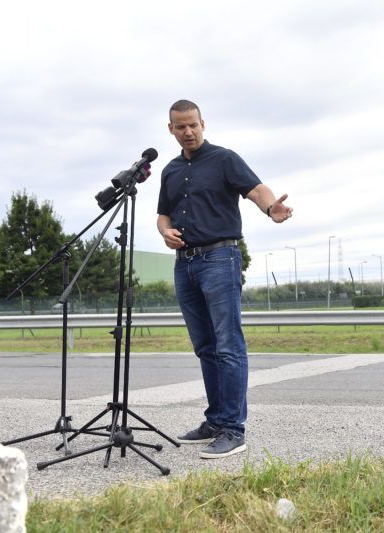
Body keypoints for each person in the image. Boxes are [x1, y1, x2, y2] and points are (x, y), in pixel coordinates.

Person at [157, 99, 292, 459]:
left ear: (204, 123)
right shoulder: (169, 170)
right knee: (205, 347)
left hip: (219, 257)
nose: (188, 132)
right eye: (180, 127)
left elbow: (257, 189)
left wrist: (270, 208)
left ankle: (233, 429)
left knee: (228, 344)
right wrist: (165, 232)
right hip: (184, 263)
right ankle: (215, 420)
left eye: (193, 125)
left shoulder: (224, 159)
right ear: (170, 129)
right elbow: (163, 216)